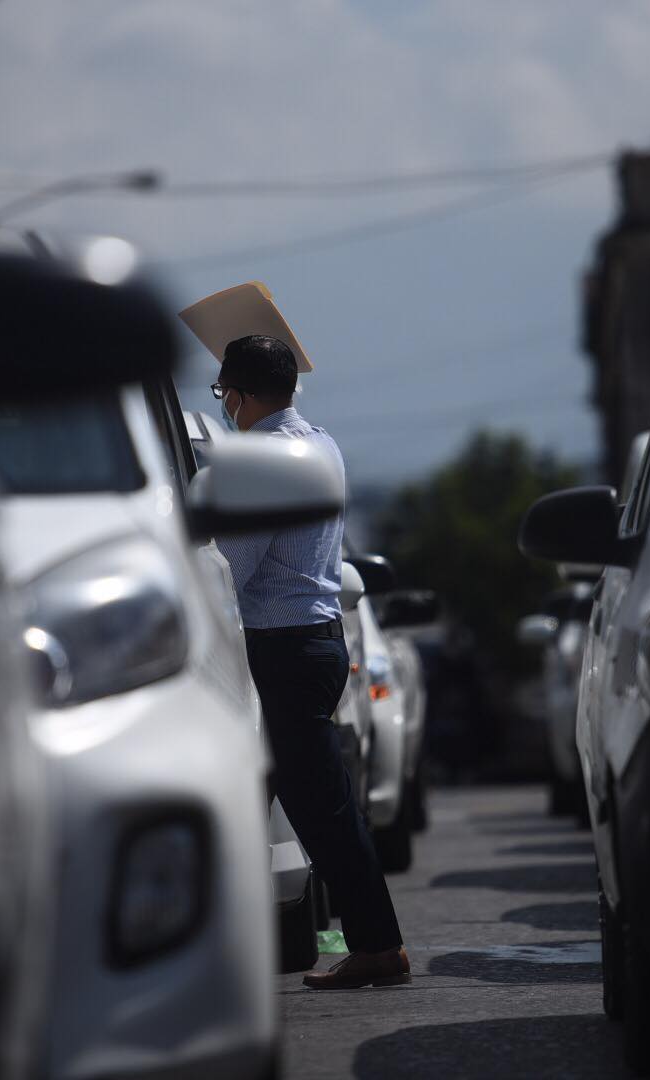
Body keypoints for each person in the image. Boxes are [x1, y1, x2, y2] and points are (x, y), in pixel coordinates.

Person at [212, 334, 408, 989]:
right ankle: (214, 948)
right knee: (255, 804)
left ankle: (379, 947)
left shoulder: (259, 461)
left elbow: (232, 570)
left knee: (322, 812)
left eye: (224, 397)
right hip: (318, 642)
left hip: (280, 652)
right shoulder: (321, 441)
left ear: (236, 396)